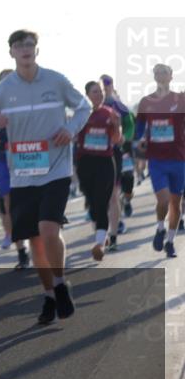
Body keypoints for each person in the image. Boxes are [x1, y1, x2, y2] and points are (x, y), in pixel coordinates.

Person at [0, 30, 90, 325]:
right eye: (19, 45)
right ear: (11, 53)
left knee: (49, 230)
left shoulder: (56, 80)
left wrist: (71, 130)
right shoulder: (4, 89)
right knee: (36, 243)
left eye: (30, 45)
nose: (25, 49)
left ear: (37, 50)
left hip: (56, 169)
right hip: (23, 174)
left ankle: (60, 283)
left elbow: (84, 107)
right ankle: (49, 295)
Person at [134, 63, 185, 258]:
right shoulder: (146, 102)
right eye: (157, 72)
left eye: (164, 72)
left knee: (176, 204)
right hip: (156, 159)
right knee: (163, 200)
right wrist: (139, 141)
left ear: (171, 76)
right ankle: (160, 228)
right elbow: (139, 129)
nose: (161, 75)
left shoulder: (180, 99)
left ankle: (170, 242)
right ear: (154, 77)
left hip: (178, 158)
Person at [75, 81, 122, 261]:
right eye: (95, 92)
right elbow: (72, 135)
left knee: (102, 201)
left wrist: (116, 126)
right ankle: (103, 235)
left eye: (101, 91)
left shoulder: (110, 113)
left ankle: (100, 243)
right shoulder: (81, 114)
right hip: (85, 162)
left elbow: (116, 139)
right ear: (87, 95)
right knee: (92, 202)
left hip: (105, 162)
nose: (99, 95)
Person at [0, 69, 30, 268]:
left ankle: (39, 236)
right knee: (9, 203)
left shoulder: (29, 99)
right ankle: (21, 250)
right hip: (4, 157)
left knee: (31, 199)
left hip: (29, 155)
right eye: (2, 81)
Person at [101, 74, 135, 232]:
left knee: (127, 182)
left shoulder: (119, 106)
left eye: (107, 84)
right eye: (102, 84)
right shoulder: (94, 106)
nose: (105, 87)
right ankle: (117, 222)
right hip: (105, 154)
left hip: (123, 150)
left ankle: (127, 200)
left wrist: (124, 138)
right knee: (111, 191)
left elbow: (130, 125)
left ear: (112, 85)